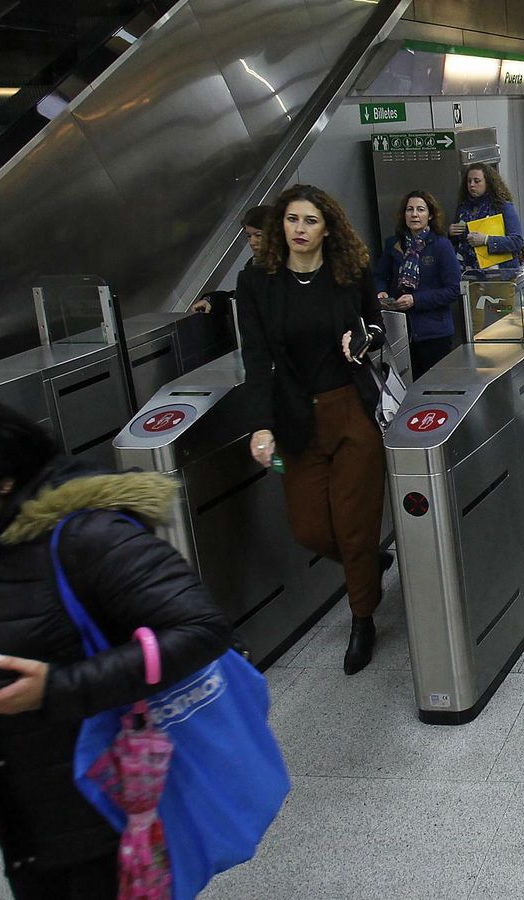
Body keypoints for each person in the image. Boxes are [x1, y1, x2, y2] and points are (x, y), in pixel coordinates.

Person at [0, 392, 231, 898]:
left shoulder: (88, 536)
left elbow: (201, 628)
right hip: (29, 823)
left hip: (103, 814)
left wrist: (60, 687)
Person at [239, 183, 387, 674]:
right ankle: (367, 564)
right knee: (309, 529)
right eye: (291, 220)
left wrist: (363, 338)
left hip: (351, 412)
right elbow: (256, 359)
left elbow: (376, 325)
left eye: (310, 221)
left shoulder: (350, 270)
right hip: (295, 418)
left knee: (354, 523)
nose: (299, 229)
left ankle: (362, 617)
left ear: (328, 228)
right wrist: (261, 425)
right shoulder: (257, 282)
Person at [374, 190, 463, 379]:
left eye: (420, 209)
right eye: (410, 209)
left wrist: (416, 300)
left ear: (430, 215)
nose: (414, 214)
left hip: (434, 333)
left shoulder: (441, 245)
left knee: (435, 385)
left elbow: (454, 289)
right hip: (399, 331)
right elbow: (379, 275)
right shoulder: (393, 244)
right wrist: (381, 292)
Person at [191, 204, 271, 314]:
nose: (252, 242)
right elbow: (241, 299)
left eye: (258, 235)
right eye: (249, 236)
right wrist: (211, 301)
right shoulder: (253, 265)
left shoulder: (289, 268)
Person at [450, 162, 524, 274]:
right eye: (469, 181)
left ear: (488, 183)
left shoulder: (503, 207)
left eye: (477, 181)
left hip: (499, 274)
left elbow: (517, 241)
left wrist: (486, 240)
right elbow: (457, 243)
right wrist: (451, 234)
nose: (472, 185)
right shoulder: (463, 208)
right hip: (467, 272)